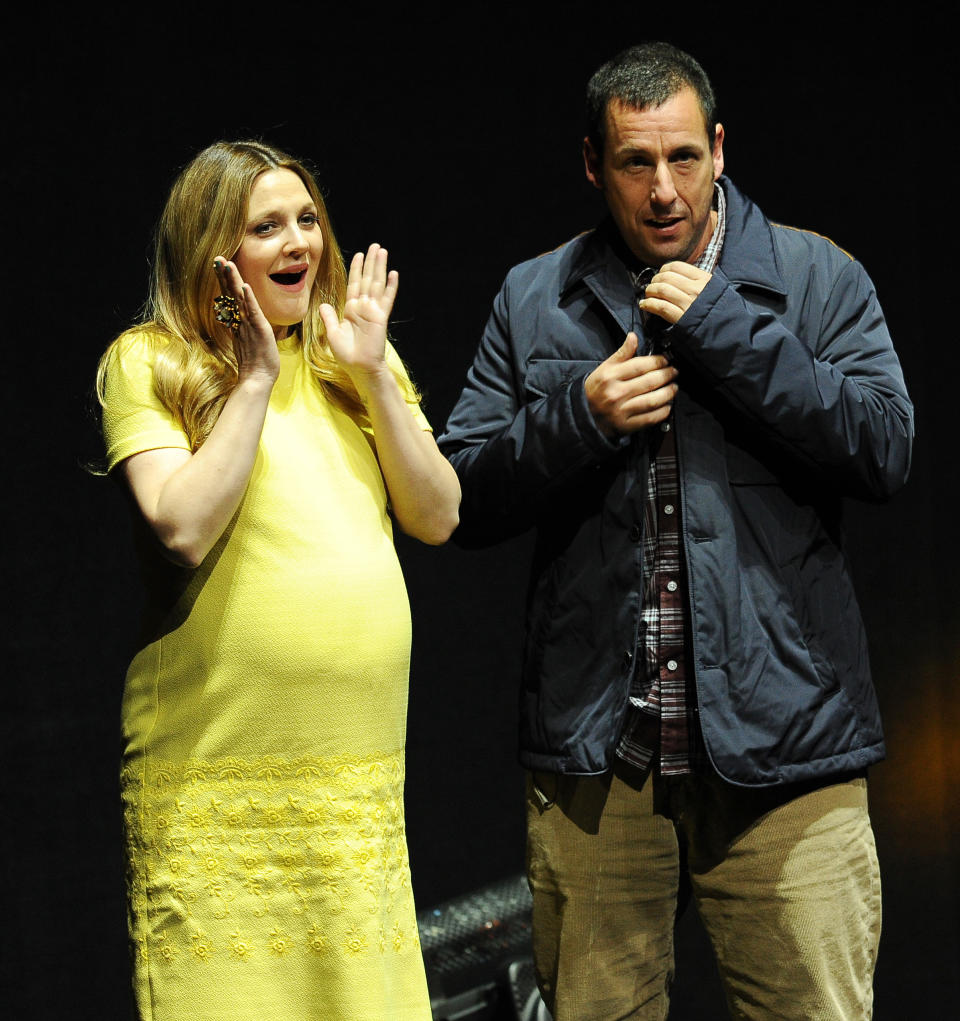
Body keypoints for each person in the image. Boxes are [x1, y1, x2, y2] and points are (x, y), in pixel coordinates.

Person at [438, 42, 912, 1020]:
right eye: (634, 163)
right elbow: (456, 497)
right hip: (603, 763)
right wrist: (579, 416)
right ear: (590, 164)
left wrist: (730, 330)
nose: (663, 189)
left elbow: (884, 449)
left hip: (789, 756)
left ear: (721, 149)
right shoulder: (538, 298)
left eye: (684, 158)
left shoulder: (814, 278)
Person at [96, 139, 460, 1021]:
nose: (300, 240)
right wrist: (255, 377)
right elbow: (182, 525)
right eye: (268, 226)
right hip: (221, 776)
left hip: (351, 783)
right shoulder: (150, 361)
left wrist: (373, 372)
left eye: (307, 220)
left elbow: (438, 514)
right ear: (215, 253)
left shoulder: (350, 358)